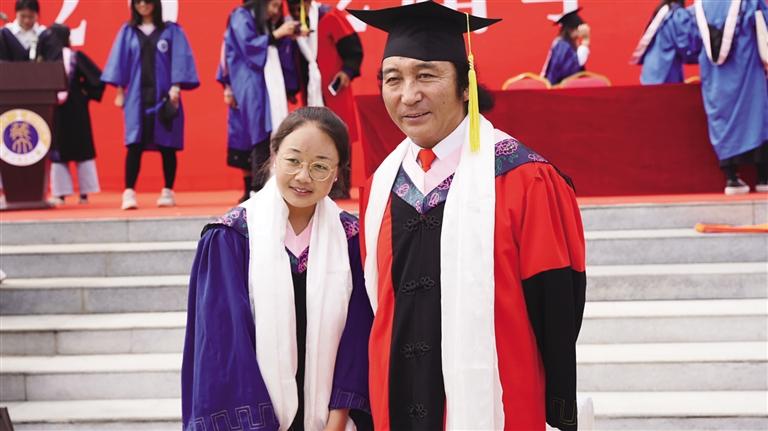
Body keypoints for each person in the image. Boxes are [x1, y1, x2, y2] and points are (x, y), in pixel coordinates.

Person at [349, 2, 586, 430]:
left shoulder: (524, 178)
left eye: (426, 75)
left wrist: (557, 408)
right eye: (393, 79)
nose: (408, 95)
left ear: (465, 86)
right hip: (395, 404)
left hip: (500, 406)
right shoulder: (379, 187)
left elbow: (557, 308)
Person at [182, 107, 373, 431]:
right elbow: (224, 349)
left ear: (337, 173)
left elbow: (358, 339)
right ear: (274, 158)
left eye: (320, 166)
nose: (303, 177)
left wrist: (337, 422)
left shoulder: (352, 240)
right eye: (293, 160)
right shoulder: (231, 238)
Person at [102, 0, 199, 209]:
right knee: (134, 144)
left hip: (164, 96)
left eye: (147, 1)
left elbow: (179, 59)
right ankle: (129, 192)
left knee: (167, 145)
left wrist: (176, 87)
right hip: (136, 97)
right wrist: (119, 91)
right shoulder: (128, 31)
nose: (143, 5)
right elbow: (120, 63)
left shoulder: (171, 31)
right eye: (138, 2)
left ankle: (168, 191)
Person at [217, 0, 300, 203]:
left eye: (279, 7)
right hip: (248, 82)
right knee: (256, 132)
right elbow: (247, 47)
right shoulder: (241, 16)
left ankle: (261, 187)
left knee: (267, 131)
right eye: (273, 5)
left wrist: (287, 38)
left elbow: (277, 53)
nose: (276, 11)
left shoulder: (267, 22)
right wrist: (277, 34)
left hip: (268, 84)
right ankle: (255, 188)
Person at [287, 0, 363, 199]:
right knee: (315, 134)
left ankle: (341, 186)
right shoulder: (294, 27)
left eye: (299, 8)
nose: (296, 12)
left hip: (335, 90)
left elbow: (353, 48)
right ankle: (319, 183)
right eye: (293, 9)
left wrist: (347, 71)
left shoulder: (329, 17)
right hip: (312, 92)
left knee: (339, 134)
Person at [694, 0, 768, 195]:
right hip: (748, 71)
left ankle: (731, 178)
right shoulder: (750, 2)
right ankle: (763, 177)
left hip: (716, 77)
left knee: (723, 120)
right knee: (756, 116)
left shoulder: (701, 6)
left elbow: (690, 42)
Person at [37, 24, 105, 205]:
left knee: (80, 149)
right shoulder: (44, 60)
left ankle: (83, 193)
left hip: (74, 109)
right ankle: (63, 193)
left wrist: (84, 93)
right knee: (58, 151)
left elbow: (98, 78)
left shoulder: (74, 57)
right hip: (56, 110)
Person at [631, 0, 701, 84]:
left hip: (651, 73)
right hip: (663, 75)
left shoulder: (664, 11)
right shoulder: (676, 15)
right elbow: (684, 45)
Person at [542, 8, 590, 85]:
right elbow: (575, 65)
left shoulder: (566, 43)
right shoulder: (562, 46)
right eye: (578, 28)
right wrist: (585, 41)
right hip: (556, 86)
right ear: (571, 29)